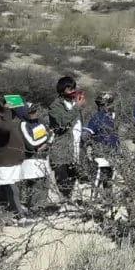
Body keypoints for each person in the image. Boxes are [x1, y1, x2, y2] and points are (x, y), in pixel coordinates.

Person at [47, 74, 86, 204]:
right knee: (62, 174)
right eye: (69, 89)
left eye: (73, 88)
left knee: (74, 173)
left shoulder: (74, 103)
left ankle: (70, 199)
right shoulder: (55, 106)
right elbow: (62, 121)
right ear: (62, 90)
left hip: (76, 143)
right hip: (62, 145)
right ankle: (65, 200)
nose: (72, 91)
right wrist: (77, 107)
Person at [0, 99, 29, 224]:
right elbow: (5, 129)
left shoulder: (8, 121)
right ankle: (20, 216)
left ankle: (6, 214)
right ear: (2, 112)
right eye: (8, 111)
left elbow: (25, 115)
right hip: (3, 163)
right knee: (12, 189)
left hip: (11, 162)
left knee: (6, 190)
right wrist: (6, 110)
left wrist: (20, 107)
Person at [17, 102, 51, 215]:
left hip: (43, 158)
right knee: (34, 185)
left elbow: (51, 134)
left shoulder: (42, 121)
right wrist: (45, 138)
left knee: (44, 184)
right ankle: (32, 209)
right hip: (31, 160)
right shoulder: (23, 124)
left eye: (35, 110)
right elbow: (30, 143)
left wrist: (45, 143)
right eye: (31, 111)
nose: (35, 113)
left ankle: (40, 208)